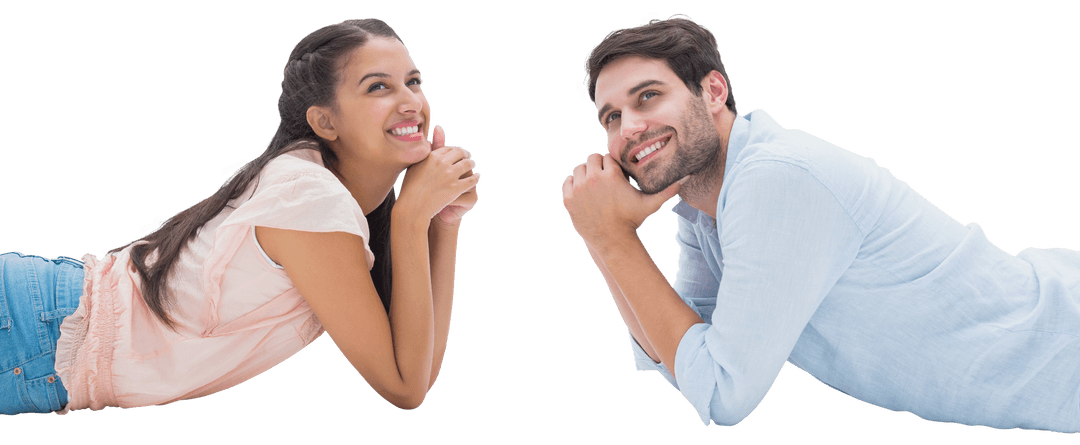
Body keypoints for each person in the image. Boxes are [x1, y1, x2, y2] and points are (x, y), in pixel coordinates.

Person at [561, 13, 1080, 432]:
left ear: (713, 91)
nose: (629, 128)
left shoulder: (776, 179)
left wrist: (612, 236)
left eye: (647, 96)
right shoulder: (705, 206)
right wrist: (602, 235)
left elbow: (720, 393)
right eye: (610, 117)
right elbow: (675, 354)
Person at [1, 17, 480, 415]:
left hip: (42, 338)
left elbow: (415, 368)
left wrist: (442, 222)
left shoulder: (321, 196)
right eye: (379, 86)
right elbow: (402, 386)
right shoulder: (309, 201)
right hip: (35, 329)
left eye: (414, 81)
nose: (410, 101)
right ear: (324, 121)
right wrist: (411, 218)